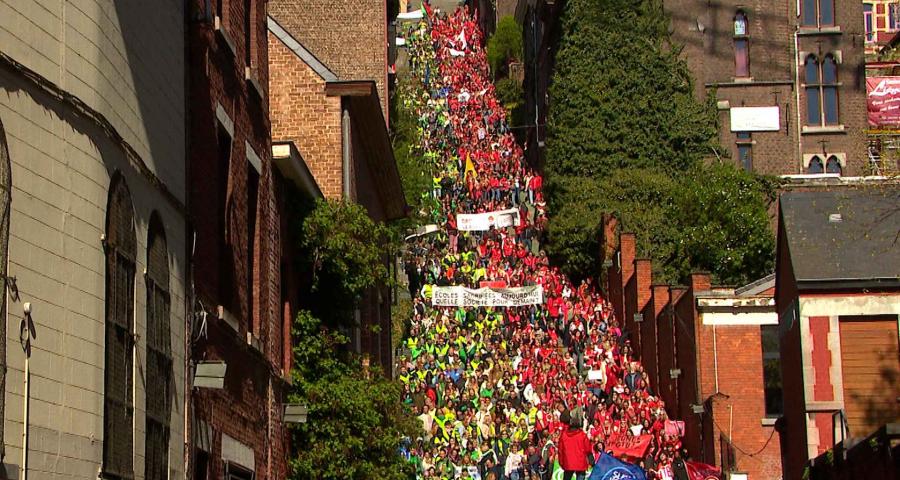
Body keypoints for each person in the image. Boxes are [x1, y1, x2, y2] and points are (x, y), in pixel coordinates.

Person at [557, 409, 593, 480]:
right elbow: (588, 449)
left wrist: (561, 463)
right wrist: (591, 461)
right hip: (580, 463)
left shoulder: (564, 435)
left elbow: (560, 451)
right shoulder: (582, 435)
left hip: (568, 463)